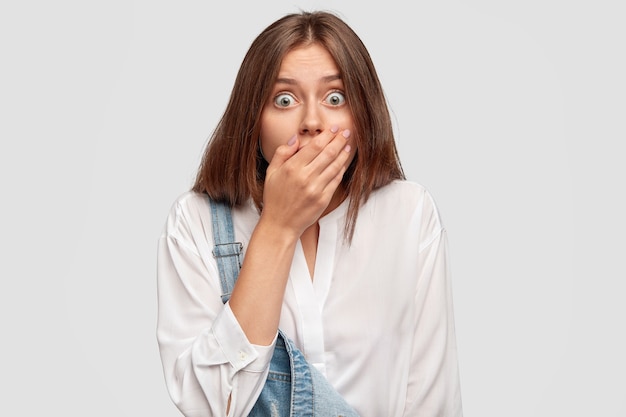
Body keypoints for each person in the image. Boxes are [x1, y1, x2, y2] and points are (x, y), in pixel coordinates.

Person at [157, 10, 463, 417]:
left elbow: (431, 401)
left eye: (335, 98)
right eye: (284, 100)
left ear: (363, 114)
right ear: (254, 119)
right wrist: (279, 227)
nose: (313, 122)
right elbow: (209, 405)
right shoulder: (194, 222)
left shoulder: (409, 213)